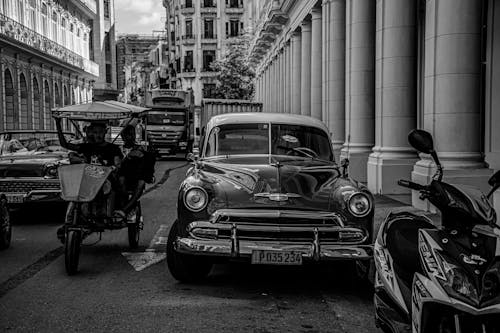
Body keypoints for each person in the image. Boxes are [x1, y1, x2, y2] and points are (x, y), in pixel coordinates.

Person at [113, 125, 149, 220]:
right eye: (127, 134)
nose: (130, 137)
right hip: (119, 177)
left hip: (135, 177)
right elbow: (117, 164)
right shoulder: (118, 149)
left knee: (141, 182)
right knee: (120, 179)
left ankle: (125, 209)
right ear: (122, 136)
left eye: (132, 134)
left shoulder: (140, 148)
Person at [55, 117, 123, 167]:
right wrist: (58, 124)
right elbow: (65, 145)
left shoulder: (114, 148)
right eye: (95, 132)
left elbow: (117, 163)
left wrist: (115, 166)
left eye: (100, 132)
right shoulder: (87, 147)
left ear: (105, 132)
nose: (98, 135)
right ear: (92, 133)